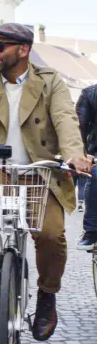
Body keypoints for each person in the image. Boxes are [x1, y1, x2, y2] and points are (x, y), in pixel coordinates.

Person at [0, 22, 91, 342]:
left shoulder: (50, 83)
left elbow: (65, 119)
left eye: (0, 46)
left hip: (40, 170)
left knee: (52, 234)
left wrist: (75, 155)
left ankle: (47, 298)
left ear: (23, 50)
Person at [75, 84, 97, 247]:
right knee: (96, 175)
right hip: (95, 150)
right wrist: (82, 154)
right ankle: (91, 231)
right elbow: (78, 127)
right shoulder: (90, 94)